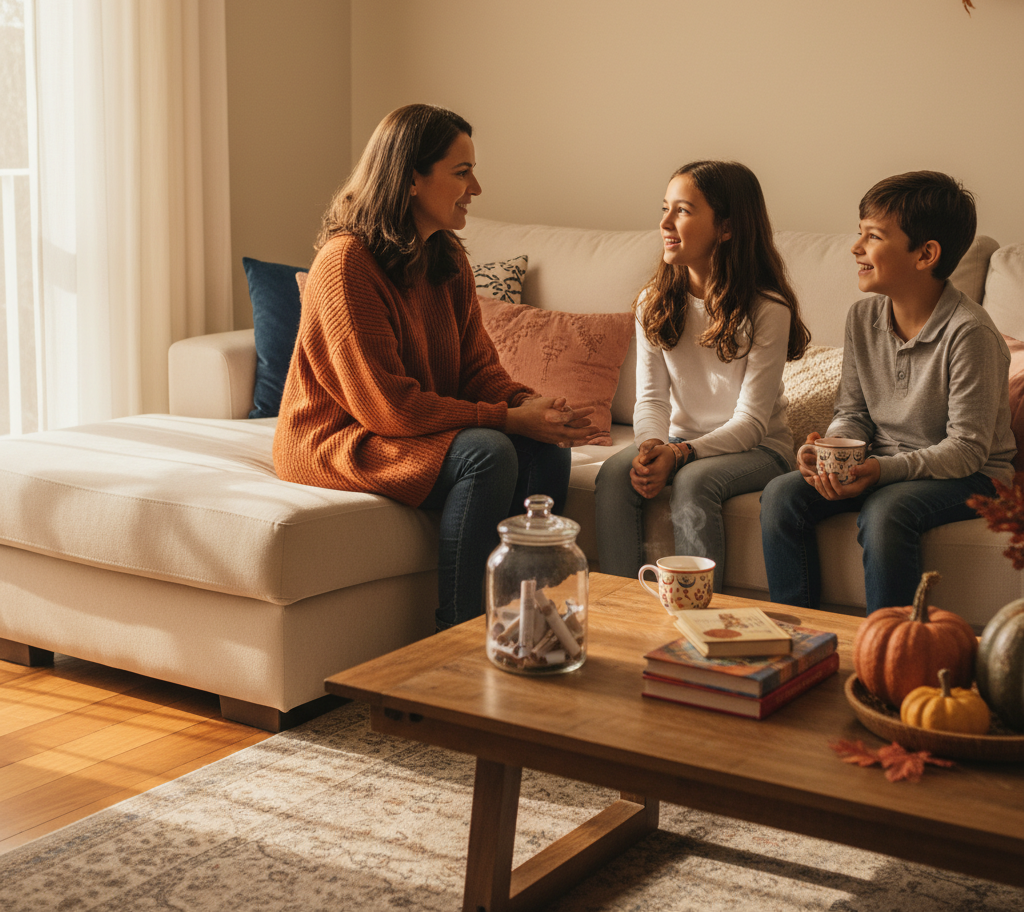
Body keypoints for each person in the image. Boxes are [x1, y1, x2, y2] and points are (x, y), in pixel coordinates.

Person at [273, 104, 600, 630]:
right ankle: (459, 632)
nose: (476, 189)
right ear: (410, 180)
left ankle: (522, 619)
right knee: (488, 453)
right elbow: (389, 407)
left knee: (545, 447)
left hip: (404, 427)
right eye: (462, 172)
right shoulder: (346, 263)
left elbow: (477, 370)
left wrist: (530, 406)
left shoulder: (447, 258)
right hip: (341, 436)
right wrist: (506, 421)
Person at [760, 170, 1016, 613]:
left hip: (972, 476)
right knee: (782, 495)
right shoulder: (863, 319)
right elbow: (853, 411)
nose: (855, 248)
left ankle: (887, 641)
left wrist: (879, 470)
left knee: (885, 513)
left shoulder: (970, 334)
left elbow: (967, 450)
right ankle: (799, 637)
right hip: (880, 461)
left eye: (873, 237)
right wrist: (832, 447)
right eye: (859, 234)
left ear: (926, 254)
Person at [595, 160, 809, 589]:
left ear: (726, 228)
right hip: (680, 442)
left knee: (694, 482)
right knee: (614, 474)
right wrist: (651, 445)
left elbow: (750, 424)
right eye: (665, 208)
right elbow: (652, 400)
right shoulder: (652, 303)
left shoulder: (767, 309)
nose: (665, 223)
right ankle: (620, 608)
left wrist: (681, 455)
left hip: (759, 449)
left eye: (683, 211)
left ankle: (702, 619)